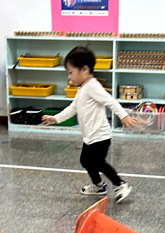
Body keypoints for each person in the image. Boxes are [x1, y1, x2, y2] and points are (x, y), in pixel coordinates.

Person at [42, 46, 138, 203]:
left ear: (84, 69)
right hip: (90, 136)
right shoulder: (83, 88)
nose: (70, 77)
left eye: (71, 72)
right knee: (85, 161)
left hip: (100, 136)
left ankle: (121, 184)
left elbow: (110, 101)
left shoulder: (92, 86)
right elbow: (73, 107)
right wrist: (56, 118)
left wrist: (124, 116)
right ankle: (99, 185)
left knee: (98, 162)